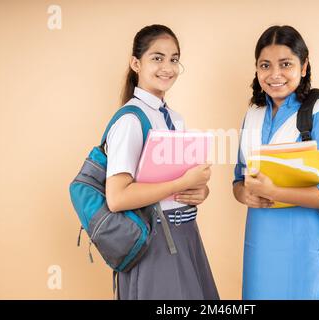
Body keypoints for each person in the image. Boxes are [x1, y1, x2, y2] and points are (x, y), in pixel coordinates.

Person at [233, 25, 319, 299]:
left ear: (304, 66)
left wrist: (274, 193)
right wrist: (244, 194)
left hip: (305, 253)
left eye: (286, 64)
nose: (275, 75)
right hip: (259, 252)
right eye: (265, 65)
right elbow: (238, 182)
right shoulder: (252, 114)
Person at [105, 24, 219, 300]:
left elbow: (176, 185)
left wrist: (198, 191)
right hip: (155, 240)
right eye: (157, 58)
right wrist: (181, 183)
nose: (167, 67)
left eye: (174, 59)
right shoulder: (130, 120)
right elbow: (117, 198)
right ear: (136, 63)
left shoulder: (174, 118)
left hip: (185, 234)